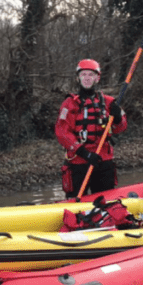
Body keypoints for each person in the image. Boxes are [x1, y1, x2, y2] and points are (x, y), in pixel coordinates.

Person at [55, 58, 127, 197]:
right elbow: (62, 132)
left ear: (97, 78)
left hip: (103, 161)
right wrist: (84, 153)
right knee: (75, 200)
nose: (87, 78)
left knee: (106, 202)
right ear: (78, 78)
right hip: (79, 162)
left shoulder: (109, 102)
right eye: (84, 74)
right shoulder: (69, 104)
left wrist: (118, 118)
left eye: (91, 75)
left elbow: (121, 127)